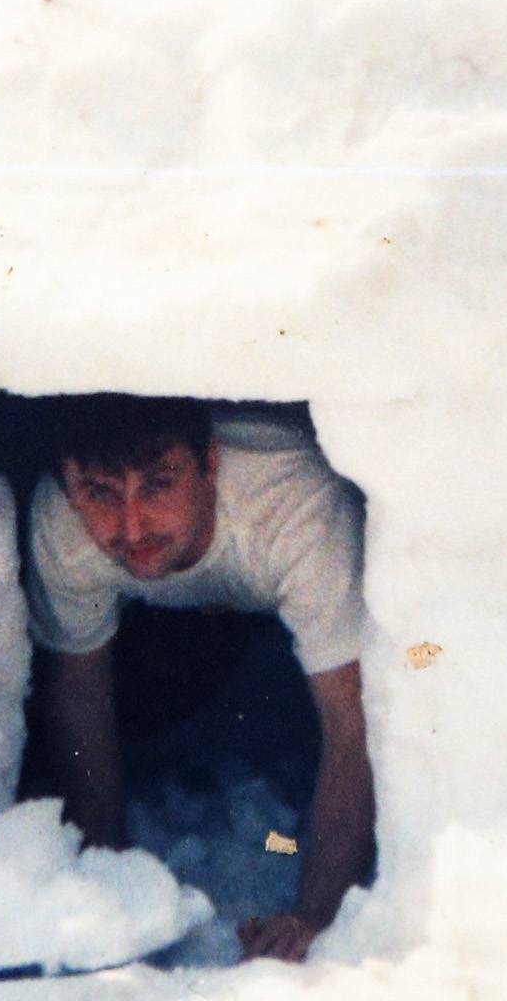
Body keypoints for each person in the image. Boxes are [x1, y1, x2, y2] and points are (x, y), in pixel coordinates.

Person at [24, 394, 377, 963]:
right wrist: (109, 887)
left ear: (209, 463)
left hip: (261, 631)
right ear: (69, 482)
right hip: (170, 637)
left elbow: (351, 718)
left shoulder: (293, 504)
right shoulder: (61, 519)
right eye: (100, 493)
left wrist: (316, 917)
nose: (131, 523)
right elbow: (79, 701)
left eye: (158, 484)